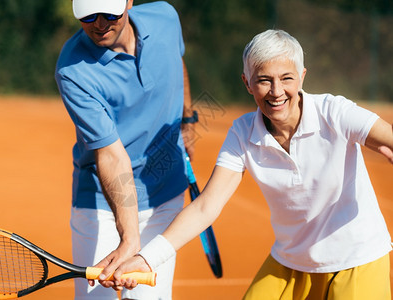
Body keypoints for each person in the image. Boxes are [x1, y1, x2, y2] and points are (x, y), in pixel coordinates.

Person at [113, 29, 393, 299]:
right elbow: (205, 207)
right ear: (247, 82)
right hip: (292, 262)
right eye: (264, 80)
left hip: (357, 258)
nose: (276, 91)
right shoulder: (242, 133)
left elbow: (387, 137)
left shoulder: (335, 112)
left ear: (302, 77)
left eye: (286, 78)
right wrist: (146, 259)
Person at [55, 0, 197, 299]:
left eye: (109, 13)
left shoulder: (165, 18)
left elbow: (177, 59)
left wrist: (188, 121)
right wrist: (130, 238)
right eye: (89, 15)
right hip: (101, 202)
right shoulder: (72, 70)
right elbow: (110, 153)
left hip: (164, 194)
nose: (100, 23)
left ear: (128, 2)